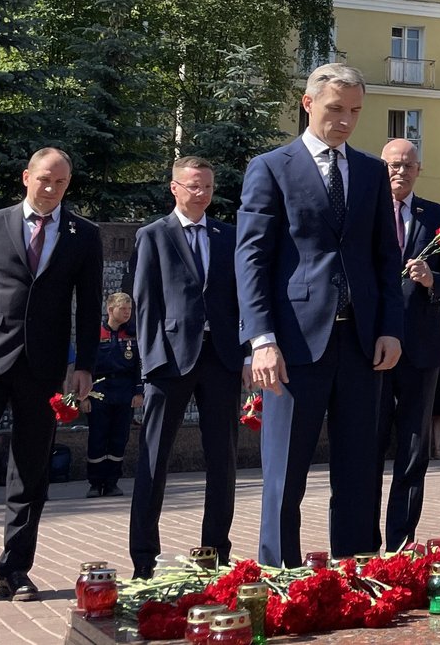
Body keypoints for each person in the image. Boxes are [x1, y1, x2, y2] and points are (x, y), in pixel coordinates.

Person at [238, 63, 405, 566]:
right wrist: (261, 339)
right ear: (308, 104)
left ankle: (356, 573)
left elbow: (385, 258)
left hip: (360, 344)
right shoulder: (271, 167)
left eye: (355, 111)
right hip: (292, 346)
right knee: (285, 472)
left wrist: (391, 329)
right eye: (336, 109)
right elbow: (252, 259)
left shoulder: (372, 172)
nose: (347, 121)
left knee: (358, 469)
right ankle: (279, 575)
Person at [0, 148, 102, 607]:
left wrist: (85, 365)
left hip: (43, 371)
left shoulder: (83, 234)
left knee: (30, 473)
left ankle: (15, 570)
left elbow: (89, 308)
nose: (51, 189)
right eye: (44, 179)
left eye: (61, 183)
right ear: (26, 177)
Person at [128, 156, 244, 579]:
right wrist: (151, 361)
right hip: (170, 361)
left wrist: (246, 353)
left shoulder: (228, 235)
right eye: (194, 186)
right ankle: (143, 556)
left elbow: (242, 298)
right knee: (154, 459)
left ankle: (216, 551)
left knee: (223, 459)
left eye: (208, 187)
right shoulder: (153, 235)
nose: (202, 194)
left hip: (222, 359)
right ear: (175, 188)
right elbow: (145, 303)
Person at [374, 137, 440, 549]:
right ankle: (363, 542)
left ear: (418, 169)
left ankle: (401, 542)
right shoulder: (365, 213)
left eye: (407, 165)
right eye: (392, 164)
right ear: (381, 166)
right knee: (368, 447)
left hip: (421, 349)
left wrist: (434, 280)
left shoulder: (439, 218)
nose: (399, 171)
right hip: (371, 347)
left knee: (413, 449)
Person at [84, 292, 141, 497]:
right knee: (98, 437)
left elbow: (138, 366)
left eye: (129, 310)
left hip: (124, 391)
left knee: (119, 437)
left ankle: (112, 482)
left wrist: (138, 391)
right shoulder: (96, 332)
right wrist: (85, 396)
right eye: (123, 309)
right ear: (110, 310)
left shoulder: (133, 334)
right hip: (100, 390)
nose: (127, 313)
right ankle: (95, 482)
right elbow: (86, 366)